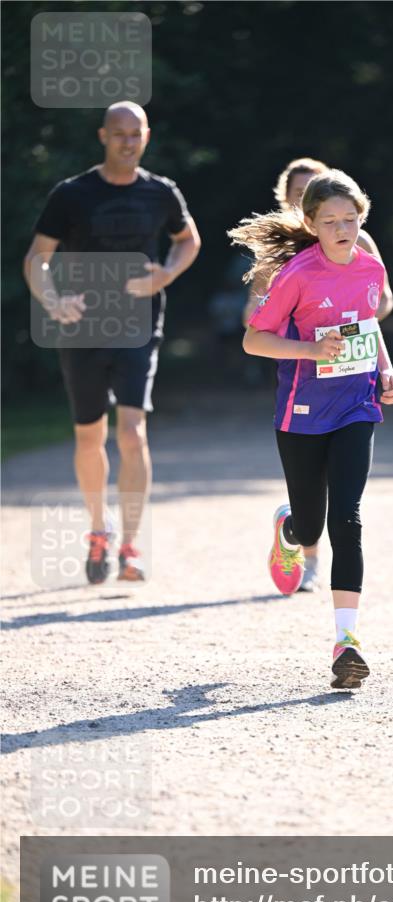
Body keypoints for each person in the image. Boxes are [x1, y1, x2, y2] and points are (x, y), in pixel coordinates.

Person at [229, 170, 393, 690]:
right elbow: (254, 340)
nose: (343, 229)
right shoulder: (297, 274)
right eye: (330, 222)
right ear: (310, 224)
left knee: (347, 518)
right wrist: (309, 349)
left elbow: (368, 326)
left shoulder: (371, 268)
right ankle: (290, 529)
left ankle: (346, 641)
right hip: (302, 412)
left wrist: (386, 370)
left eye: (350, 219)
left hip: (356, 405)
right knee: (311, 526)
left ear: (362, 217)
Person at [23, 102, 201, 584]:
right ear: (103, 136)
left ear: (147, 136)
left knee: (132, 432)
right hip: (82, 327)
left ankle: (130, 546)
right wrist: (53, 300)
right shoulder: (72, 194)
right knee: (89, 435)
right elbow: (38, 258)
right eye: (118, 133)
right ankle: (99, 530)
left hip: (137, 325)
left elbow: (189, 240)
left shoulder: (160, 192)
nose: (127, 141)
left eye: (135, 133)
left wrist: (165, 274)